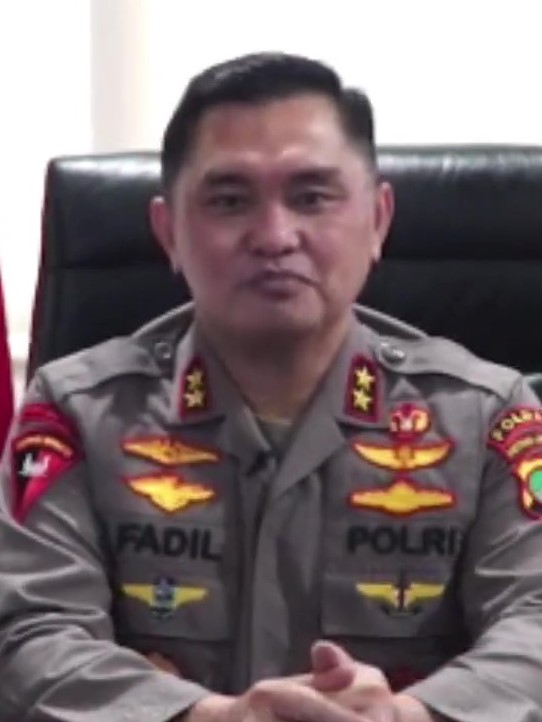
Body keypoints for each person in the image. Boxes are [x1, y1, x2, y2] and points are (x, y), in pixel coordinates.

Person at [1, 52, 542, 722]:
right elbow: (30, 636)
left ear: (378, 220)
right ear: (169, 232)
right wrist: (214, 718)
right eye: (230, 202)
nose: (275, 236)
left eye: (312, 197)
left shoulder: (486, 416)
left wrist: (411, 715)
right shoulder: (79, 413)